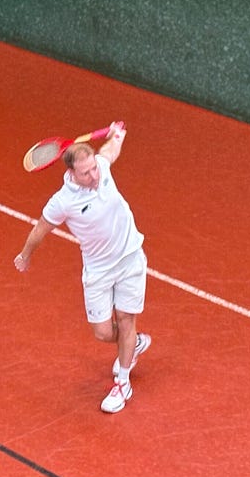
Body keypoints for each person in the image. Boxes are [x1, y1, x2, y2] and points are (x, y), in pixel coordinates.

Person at [13, 122, 151, 413]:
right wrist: (25, 255)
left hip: (130, 258)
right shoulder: (62, 202)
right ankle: (133, 343)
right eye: (86, 173)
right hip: (98, 270)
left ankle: (123, 383)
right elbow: (40, 230)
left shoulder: (102, 168)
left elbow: (110, 151)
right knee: (102, 332)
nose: (94, 176)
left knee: (126, 318)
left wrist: (117, 134)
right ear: (71, 173)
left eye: (94, 169)